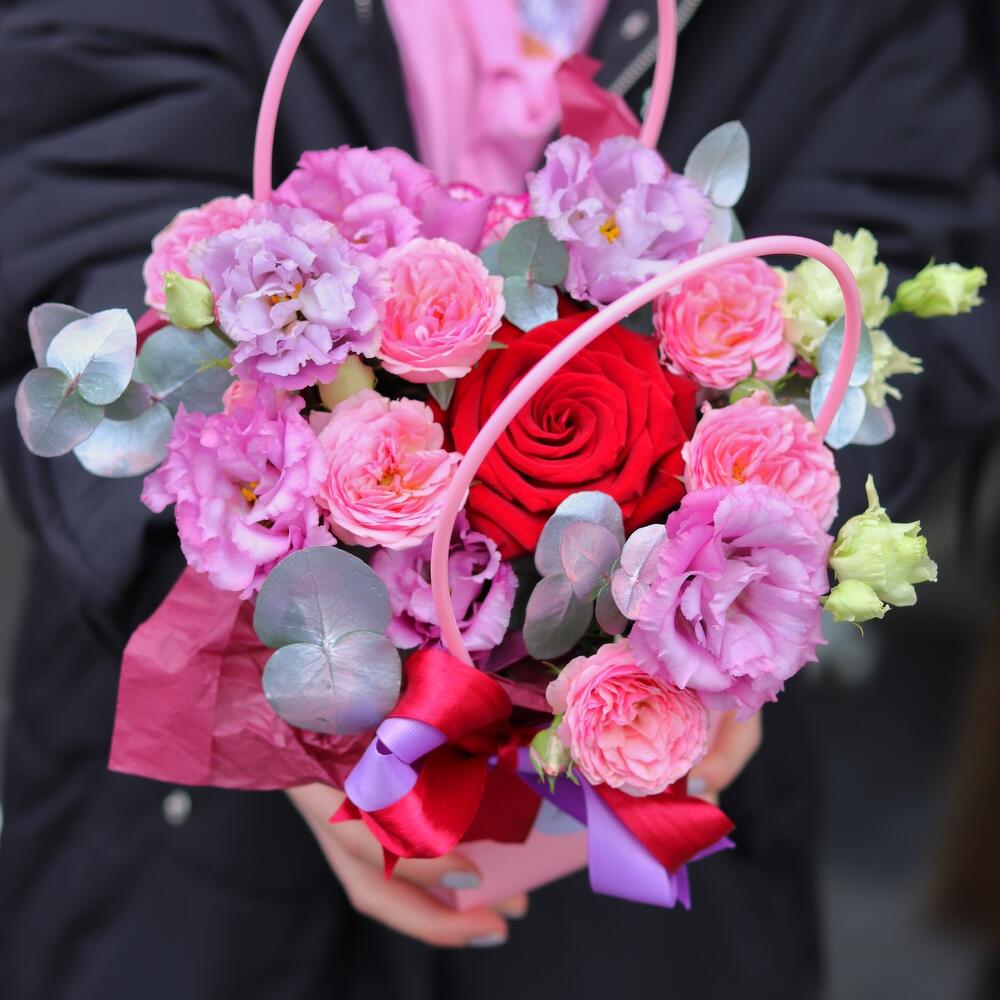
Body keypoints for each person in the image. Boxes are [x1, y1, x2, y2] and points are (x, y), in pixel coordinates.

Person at [0, 1, 996, 998]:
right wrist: (262, 684)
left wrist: (747, 577)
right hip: (185, 853)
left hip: (640, 884)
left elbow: (906, 247)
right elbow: (73, 213)